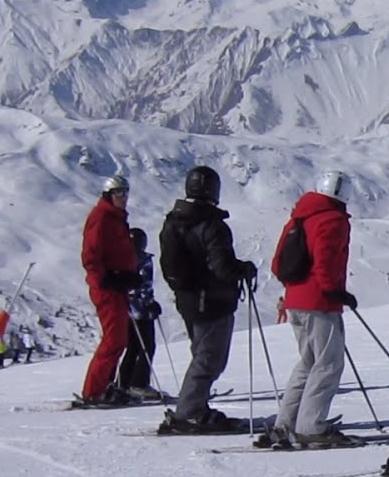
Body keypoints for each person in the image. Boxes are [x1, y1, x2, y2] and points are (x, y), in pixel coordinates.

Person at [264, 170, 361, 449]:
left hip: (294, 300)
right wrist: (336, 291)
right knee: (328, 363)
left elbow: (277, 263)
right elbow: (326, 260)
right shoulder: (333, 220)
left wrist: (294, 290)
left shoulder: (298, 217)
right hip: (320, 302)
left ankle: (287, 423)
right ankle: (311, 426)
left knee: (308, 363)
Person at [157, 165, 258, 433]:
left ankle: (195, 408)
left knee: (201, 353)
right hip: (212, 300)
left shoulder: (173, 222)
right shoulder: (210, 225)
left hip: (187, 299)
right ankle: (188, 412)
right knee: (209, 358)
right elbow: (221, 267)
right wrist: (242, 269)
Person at [78, 174, 142, 405]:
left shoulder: (115, 218)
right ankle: (93, 391)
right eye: (119, 193)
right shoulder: (102, 218)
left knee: (120, 339)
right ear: (108, 195)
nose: (124, 197)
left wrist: (129, 276)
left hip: (118, 285)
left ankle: (106, 386)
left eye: (126, 192)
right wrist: (104, 279)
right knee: (114, 339)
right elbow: (91, 254)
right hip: (107, 288)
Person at [117, 227, 165, 400]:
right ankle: (139, 384)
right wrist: (150, 304)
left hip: (127, 310)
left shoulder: (123, 259)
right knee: (147, 346)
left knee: (133, 348)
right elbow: (143, 286)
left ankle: (123, 383)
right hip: (141, 311)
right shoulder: (142, 259)